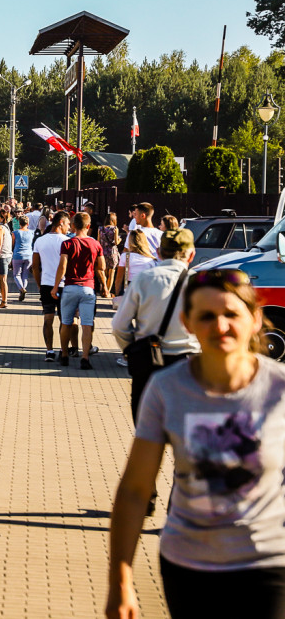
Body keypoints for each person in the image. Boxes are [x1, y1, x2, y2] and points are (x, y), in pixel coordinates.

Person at [107, 268, 285, 619]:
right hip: (188, 566)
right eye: (206, 316)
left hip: (269, 565)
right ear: (187, 323)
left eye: (232, 314)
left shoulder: (279, 388)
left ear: (255, 319)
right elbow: (135, 490)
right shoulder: (167, 389)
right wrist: (120, 580)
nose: (220, 327)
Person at [112, 229, 201, 425]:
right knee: (186, 438)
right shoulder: (200, 283)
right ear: (192, 254)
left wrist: (131, 348)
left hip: (149, 362)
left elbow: (119, 325)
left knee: (147, 433)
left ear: (159, 252)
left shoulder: (144, 279)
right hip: (188, 364)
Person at [51, 213, 108, 369]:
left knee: (66, 323)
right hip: (88, 288)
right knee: (87, 324)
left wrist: (56, 286)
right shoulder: (96, 244)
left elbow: (62, 266)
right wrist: (104, 286)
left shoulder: (68, 244)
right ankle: (85, 358)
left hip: (70, 287)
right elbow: (101, 267)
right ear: (89, 226)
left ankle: (63, 355)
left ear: (74, 226)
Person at [32, 211, 71, 361]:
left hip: (46, 285)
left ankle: (49, 351)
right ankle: (63, 349)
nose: (69, 227)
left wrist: (39, 284)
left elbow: (35, 266)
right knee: (64, 320)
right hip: (64, 285)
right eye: (67, 223)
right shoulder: (67, 241)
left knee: (48, 319)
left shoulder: (40, 241)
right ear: (61, 223)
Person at [114, 229, 158, 297]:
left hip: (129, 290)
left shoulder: (125, 256)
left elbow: (118, 279)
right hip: (145, 291)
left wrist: (117, 294)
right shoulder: (151, 259)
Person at [11, 214, 34, 302]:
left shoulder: (15, 233)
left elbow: (12, 244)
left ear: (19, 223)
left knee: (16, 274)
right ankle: (23, 289)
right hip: (28, 255)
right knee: (25, 275)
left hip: (17, 255)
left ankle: (21, 289)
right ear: (27, 224)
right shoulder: (31, 232)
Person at [98, 213, 120, 298]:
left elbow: (98, 241)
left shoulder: (100, 229)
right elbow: (116, 242)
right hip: (112, 252)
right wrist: (120, 239)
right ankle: (108, 292)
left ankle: (103, 290)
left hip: (103, 252)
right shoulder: (115, 228)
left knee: (104, 272)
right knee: (112, 273)